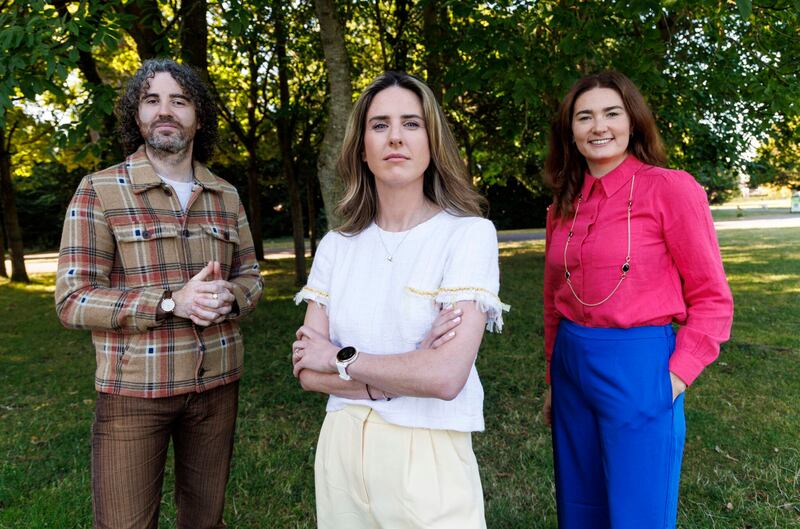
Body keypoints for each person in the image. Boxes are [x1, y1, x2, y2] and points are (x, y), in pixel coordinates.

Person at [290, 71, 508, 529]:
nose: (395, 138)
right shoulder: (337, 244)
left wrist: (340, 358)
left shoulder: (467, 235)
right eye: (379, 125)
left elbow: (446, 377)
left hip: (427, 450)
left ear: (432, 144)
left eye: (411, 123)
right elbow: (308, 372)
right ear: (362, 149)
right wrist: (401, 373)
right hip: (341, 449)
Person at [55, 58, 262, 529]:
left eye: (179, 100)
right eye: (152, 100)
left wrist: (232, 295)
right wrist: (171, 302)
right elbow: (72, 299)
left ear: (198, 117)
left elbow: (252, 275)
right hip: (134, 391)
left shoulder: (224, 194)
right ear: (137, 116)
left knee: (205, 521)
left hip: (217, 387)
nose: (165, 111)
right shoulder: (99, 190)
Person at [541, 70, 734, 529]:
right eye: (584, 117)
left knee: (638, 511)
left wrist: (675, 377)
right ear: (570, 131)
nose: (598, 127)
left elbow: (712, 298)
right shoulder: (562, 204)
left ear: (634, 121)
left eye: (611, 113)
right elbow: (553, 301)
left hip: (639, 363)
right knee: (580, 506)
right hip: (570, 363)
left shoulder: (670, 188)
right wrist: (553, 377)